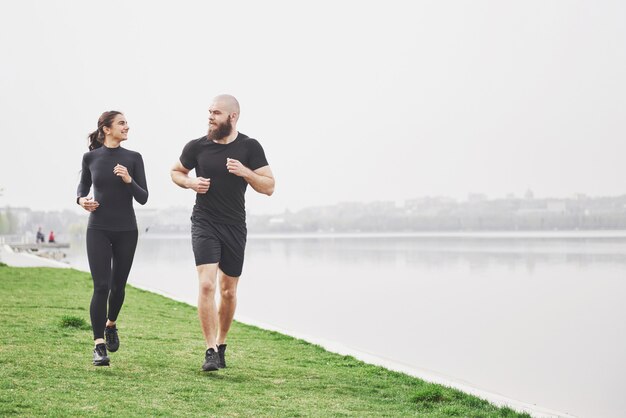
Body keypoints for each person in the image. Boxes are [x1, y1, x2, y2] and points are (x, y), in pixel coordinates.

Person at [170, 94, 274, 371]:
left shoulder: (250, 147)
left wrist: (245, 173)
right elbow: (176, 172)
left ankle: (222, 342)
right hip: (204, 222)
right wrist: (191, 183)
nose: (210, 117)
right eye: (209, 112)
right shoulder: (197, 146)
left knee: (228, 291)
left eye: (216, 113)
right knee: (206, 284)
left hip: (235, 225)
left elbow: (269, 186)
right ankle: (209, 350)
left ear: (233, 116)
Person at [77, 111, 148, 366]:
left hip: (127, 230)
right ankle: (98, 345)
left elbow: (143, 197)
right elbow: (82, 189)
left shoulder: (134, 158)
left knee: (118, 287)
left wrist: (129, 179)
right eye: (122, 123)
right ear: (107, 129)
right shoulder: (91, 158)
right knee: (101, 286)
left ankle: (111, 324)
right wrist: (81, 201)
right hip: (98, 228)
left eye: (127, 123)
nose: (127, 126)